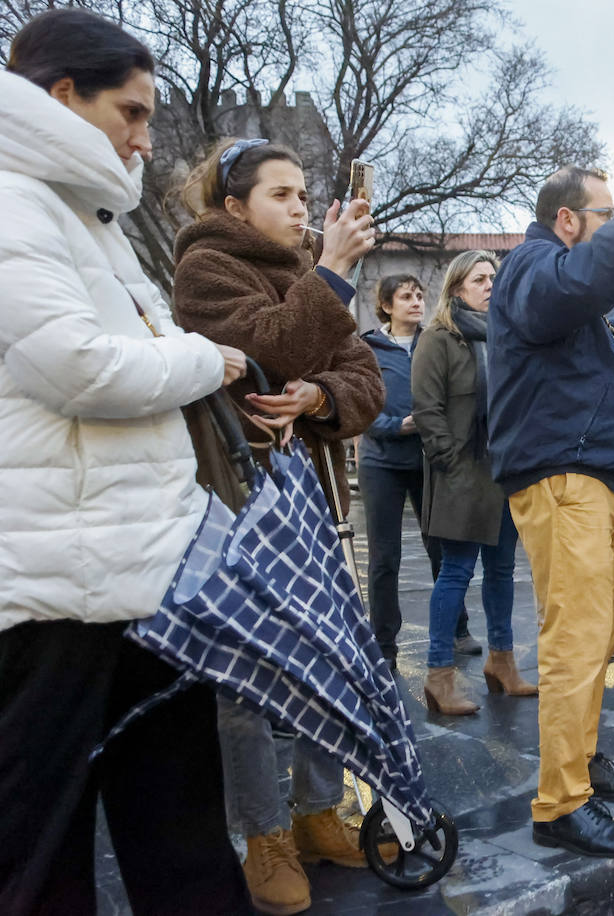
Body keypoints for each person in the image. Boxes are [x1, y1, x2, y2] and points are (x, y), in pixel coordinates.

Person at [0, 10, 252, 913]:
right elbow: (79, 368)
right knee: (39, 851)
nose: (146, 138)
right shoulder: (13, 198)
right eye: (132, 112)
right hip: (56, 593)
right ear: (63, 96)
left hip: (140, 568)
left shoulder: (81, 208)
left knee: (180, 828)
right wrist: (203, 361)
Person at [174, 137, 385, 914]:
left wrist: (319, 398)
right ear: (235, 207)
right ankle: (264, 835)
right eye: (282, 195)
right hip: (241, 500)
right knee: (249, 675)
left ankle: (318, 813)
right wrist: (331, 274)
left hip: (316, 502)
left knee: (327, 656)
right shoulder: (205, 267)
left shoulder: (307, 276)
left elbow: (366, 381)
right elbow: (266, 347)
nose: (301, 208)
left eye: (304, 194)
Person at [487, 165, 614, 858]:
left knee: (601, 633)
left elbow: (567, 356)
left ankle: (584, 756)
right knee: (575, 637)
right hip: (564, 481)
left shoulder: (554, 277)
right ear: (567, 220)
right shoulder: (531, 263)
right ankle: (561, 802)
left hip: (600, 483)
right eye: (607, 215)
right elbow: (576, 287)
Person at [411, 250, 536, 715]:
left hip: (504, 473)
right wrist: (450, 463)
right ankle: (439, 674)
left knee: (503, 572)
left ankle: (502, 663)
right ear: (458, 286)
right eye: (480, 278)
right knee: (457, 572)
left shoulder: (505, 336)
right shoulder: (438, 338)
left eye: (494, 278)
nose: (490, 285)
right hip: (462, 474)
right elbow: (427, 410)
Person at [359, 274, 442, 670]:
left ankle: (455, 629)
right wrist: (395, 425)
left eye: (420, 295)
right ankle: (384, 643)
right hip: (381, 464)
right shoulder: (367, 348)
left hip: (428, 460)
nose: (416, 302)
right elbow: (359, 404)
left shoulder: (435, 342)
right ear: (387, 306)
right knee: (384, 556)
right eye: (406, 296)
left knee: (441, 547)